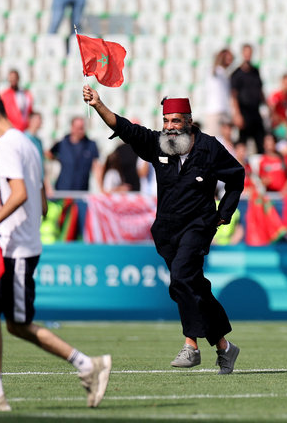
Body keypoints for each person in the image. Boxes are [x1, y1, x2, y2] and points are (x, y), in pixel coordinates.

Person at [0, 92, 111, 412]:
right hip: (18, 244)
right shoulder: (29, 144)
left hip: (16, 249)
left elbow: (21, 194)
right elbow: (37, 204)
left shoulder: (5, 146)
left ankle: (84, 366)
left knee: (12, 321)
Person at [83, 85, 244, 374]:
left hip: (198, 225)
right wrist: (98, 104)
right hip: (168, 229)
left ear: (189, 122)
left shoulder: (209, 147)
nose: (169, 127)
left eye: (176, 121)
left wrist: (224, 213)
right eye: (166, 121)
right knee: (191, 285)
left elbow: (237, 176)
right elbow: (125, 128)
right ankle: (224, 347)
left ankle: (190, 346)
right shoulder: (158, 143)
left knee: (182, 277)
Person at [46, 117, 101, 191]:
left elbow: (96, 166)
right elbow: (48, 154)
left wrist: (101, 187)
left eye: (82, 128)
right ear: (72, 128)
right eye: (79, 128)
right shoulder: (62, 143)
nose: (81, 131)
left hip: (81, 190)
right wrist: (58, 159)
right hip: (62, 189)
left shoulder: (91, 144)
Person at [231, 44, 267, 154]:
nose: (248, 55)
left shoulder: (255, 71)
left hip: (255, 111)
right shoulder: (236, 74)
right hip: (244, 112)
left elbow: (260, 91)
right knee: (242, 143)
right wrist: (237, 114)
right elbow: (234, 95)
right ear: (242, 54)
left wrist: (268, 106)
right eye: (246, 52)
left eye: (250, 52)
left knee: (261, 142)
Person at [204, 48, 234, 137]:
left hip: (225, 111)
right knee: (214, 140)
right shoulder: (214, 71)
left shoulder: (225, 73)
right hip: (214, 111)